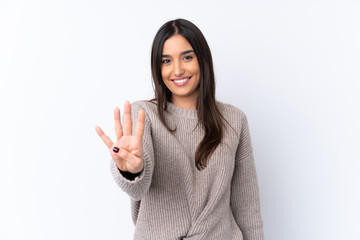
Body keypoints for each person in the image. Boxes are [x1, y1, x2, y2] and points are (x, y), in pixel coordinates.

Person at [95, 18, 265, 240]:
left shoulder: (234, 119)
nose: (177, 70)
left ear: (202, 60)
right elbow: (138, 189)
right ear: (158, 67)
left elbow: (247, 208)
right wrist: (132, 169)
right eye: (166, 61)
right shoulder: (143, 115)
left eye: (187, 57)